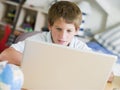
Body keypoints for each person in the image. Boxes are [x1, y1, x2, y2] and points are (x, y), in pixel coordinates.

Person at [0, 1, 113, 82]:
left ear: (77, 30)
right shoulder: (38, 39)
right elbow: (5, 55)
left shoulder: (79, 46)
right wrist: (44, 65)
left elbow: (109, 75)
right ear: (50, 26)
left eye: (69, 31)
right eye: (58, 29)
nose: (62, 36)